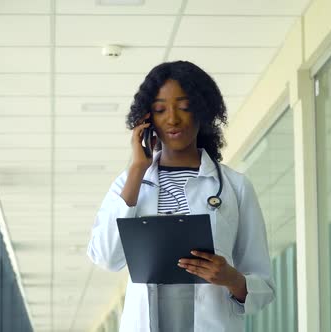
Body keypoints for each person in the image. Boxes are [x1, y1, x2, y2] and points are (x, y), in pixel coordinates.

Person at [87, 61, 275, 332]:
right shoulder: (130, 183)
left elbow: (264, 288)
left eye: (184, 107)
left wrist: (231, 278)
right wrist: (138, 169)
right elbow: (107, 257)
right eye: (161, 110)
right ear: (147, 119)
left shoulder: (236, 187)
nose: (173, 119)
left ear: (202, 110)